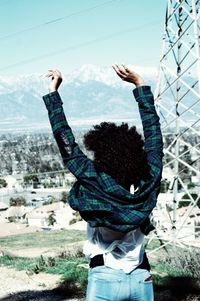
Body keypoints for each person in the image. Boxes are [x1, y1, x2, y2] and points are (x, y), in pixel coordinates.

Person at [42, 65, 163, 301]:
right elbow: (154, 136)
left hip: (104, 277)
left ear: (100, 152)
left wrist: (53, 93)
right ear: (135, 150)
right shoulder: (148, 180)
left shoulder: (94, 181)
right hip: (142, 278)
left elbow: (66, 143)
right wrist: (140, 85)